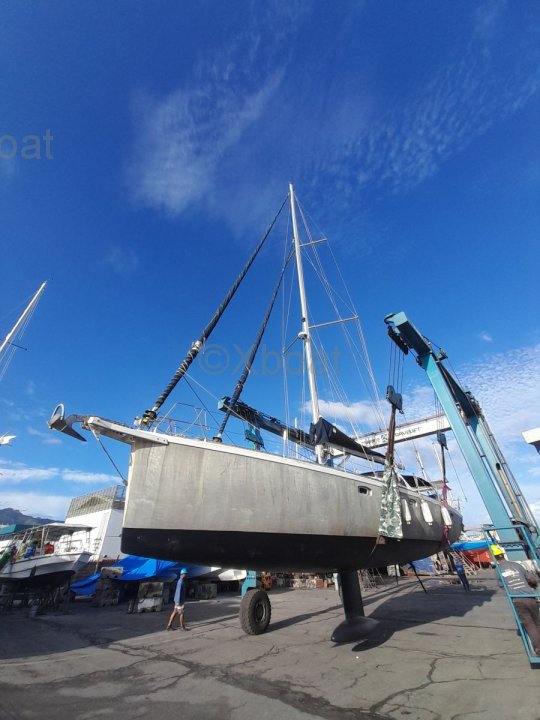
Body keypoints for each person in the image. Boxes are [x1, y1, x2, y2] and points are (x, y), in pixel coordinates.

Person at [494, 550, 540, 656]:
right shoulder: (516, 565)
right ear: (503, 555)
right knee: (537, 622)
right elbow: (531, 580)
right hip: (529, 597)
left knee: (529, 624)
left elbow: (502, 587)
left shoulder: (498, 570)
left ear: (496, 558)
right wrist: (531, 583)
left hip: (516, 599)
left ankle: (538, 649)